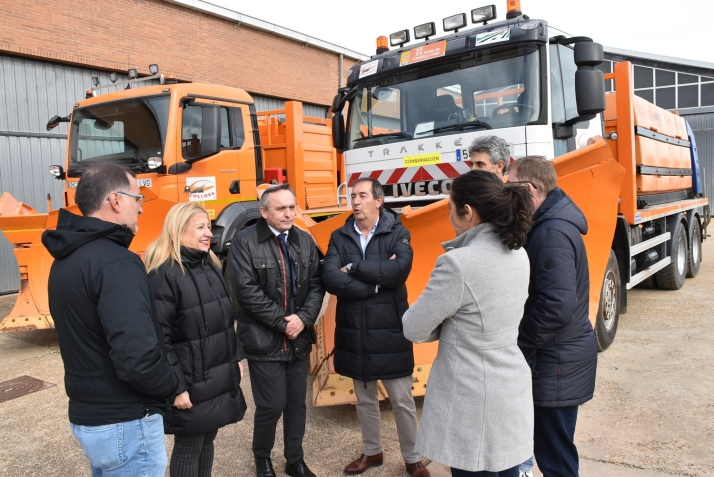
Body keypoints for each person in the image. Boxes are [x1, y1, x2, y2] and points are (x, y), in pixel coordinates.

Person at [42, 163, 180, 477]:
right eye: (137, 198)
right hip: (125, 419)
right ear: (116, 201)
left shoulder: (66, 259)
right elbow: (137, 358)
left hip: (90, 416)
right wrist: (172, 384)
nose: (141, 209)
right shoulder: (117, 263)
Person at [402, 170, 534, 477]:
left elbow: (413, 326)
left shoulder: (458, 263)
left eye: (450, 207)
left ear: (468, 212)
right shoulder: (519, 253)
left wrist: (448, 321)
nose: (448, 215)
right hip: (510, 388)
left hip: (470, 399)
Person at [322, 178, 428, 477]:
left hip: (391, 330)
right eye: (352, 196)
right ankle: (373, 452)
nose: (355, 201)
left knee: (402, 400)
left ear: (378, 201)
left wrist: (353, 268)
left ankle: (413, 457)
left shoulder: (397, 231)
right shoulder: (340, 236)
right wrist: (374, 286)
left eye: (362, 196)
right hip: (355, 331)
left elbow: (398, 271)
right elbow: (330, 278)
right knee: (365, 399)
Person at [507, 157, 598, 477]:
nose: (506, 192)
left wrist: (519, 344)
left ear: (529, 189)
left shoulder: (550, 232)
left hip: (555, 361)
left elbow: (556, 305)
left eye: (510, 186)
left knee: (555, 457)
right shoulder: (548, 223)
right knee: (553, 449)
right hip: (557, 357)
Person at [227, 183, 324, 477]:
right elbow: (245, 292)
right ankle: (262, 459)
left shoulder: (304, 240)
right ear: (264, 211)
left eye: (292, 207)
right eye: (281, 208)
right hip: (264, 340)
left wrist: (303, 319)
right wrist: (285, 322)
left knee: (296, 405)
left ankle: (295, 459)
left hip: (297, 339)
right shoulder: (244, 242)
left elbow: (317, 284)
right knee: (271, 405)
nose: (288, 213)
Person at [144, 203, 247, 477]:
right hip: (188, 381)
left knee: (207, 441)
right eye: (200, 227)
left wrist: (235, 357)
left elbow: (225, 320)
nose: (208, 234)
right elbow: (158, 339)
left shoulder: (209, 264)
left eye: (209, 227)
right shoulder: (164, 274)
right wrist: (176, 388)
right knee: (189, 447)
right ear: (179, 231)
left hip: (215, 375)